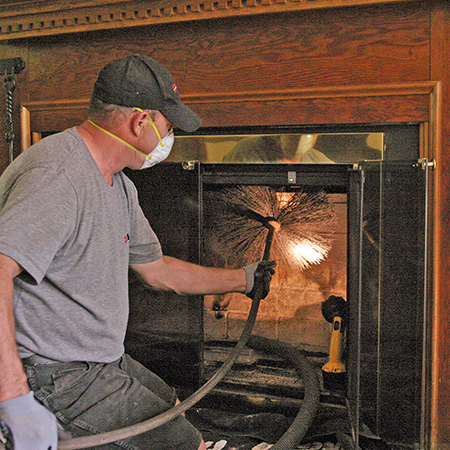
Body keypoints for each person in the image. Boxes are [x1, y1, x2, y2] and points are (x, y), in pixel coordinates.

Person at [0, 54, 276, 450]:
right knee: (181, 442)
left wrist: (242, 279)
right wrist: (13, 399)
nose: (169, 137)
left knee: (172, 407)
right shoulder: (57, 177)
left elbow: (158, 270)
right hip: (56, 374)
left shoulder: (119, 186)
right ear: (139, 121)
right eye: (168, 125)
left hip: (100, 360)